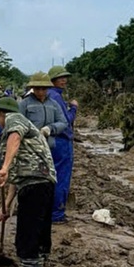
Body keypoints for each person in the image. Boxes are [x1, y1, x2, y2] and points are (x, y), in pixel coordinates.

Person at [0, 97, 57, 267]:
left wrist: (4, 166)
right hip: (41, 184)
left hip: (35, 185)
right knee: (39, 238)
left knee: (27, 241)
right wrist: (7, 205)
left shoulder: (14, 119)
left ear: (1, 114)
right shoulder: (24, 130)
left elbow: (15, 138)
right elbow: (16, 178)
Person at [47, 65, 79, 224]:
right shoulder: (56, 97)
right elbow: (66, 121)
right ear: (53, 80)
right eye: (61, 78)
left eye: (65, 77)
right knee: (62, 176)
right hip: (61, 140)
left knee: (49, 176)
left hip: (48, 140)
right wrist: (74, 108)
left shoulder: (45, 95)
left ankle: (48, 210)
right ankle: (57, 214)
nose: (64, 80)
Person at [18, 72, 68, 150]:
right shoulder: (24, 104)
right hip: (30, 147)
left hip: (49, 146)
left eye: (43, 89)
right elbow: (18, 123)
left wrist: (50, 128)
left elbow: (63, 122)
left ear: (48, 88)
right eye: (37, 89)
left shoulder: (53, 104)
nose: (40, 92)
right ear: (32, 88)